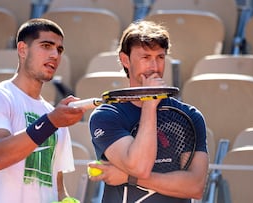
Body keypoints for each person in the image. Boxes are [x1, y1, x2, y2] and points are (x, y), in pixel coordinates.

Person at [87, 20, 209, 202]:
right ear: (125, 60)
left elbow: (195, 186)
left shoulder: (189, 116)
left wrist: (129, 178)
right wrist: (150, 104)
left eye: (160, 57)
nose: (154, 66)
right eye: (146, 57)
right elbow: (139, 166)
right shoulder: (107, 116)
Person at [0, 18, 85, 203]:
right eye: (46, 46)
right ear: (23, 49)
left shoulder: (55, 115)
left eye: (59, 49)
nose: (55, 54)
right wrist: (52, 121)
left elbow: (57, 188)